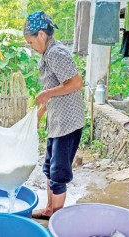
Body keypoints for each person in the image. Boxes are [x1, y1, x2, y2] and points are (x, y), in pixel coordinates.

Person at [23, 11, 85, 220]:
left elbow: (75, 83)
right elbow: (59, 86)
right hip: (57, 121)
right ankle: (50, 209)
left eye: (31, 41)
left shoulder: (56, 53)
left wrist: (47, 93)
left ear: (41, 35)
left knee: (58, 173)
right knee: (50, 168)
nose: (31, 46)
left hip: (67, 123)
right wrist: (42, 110)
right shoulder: (48, 54)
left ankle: (57, 217)